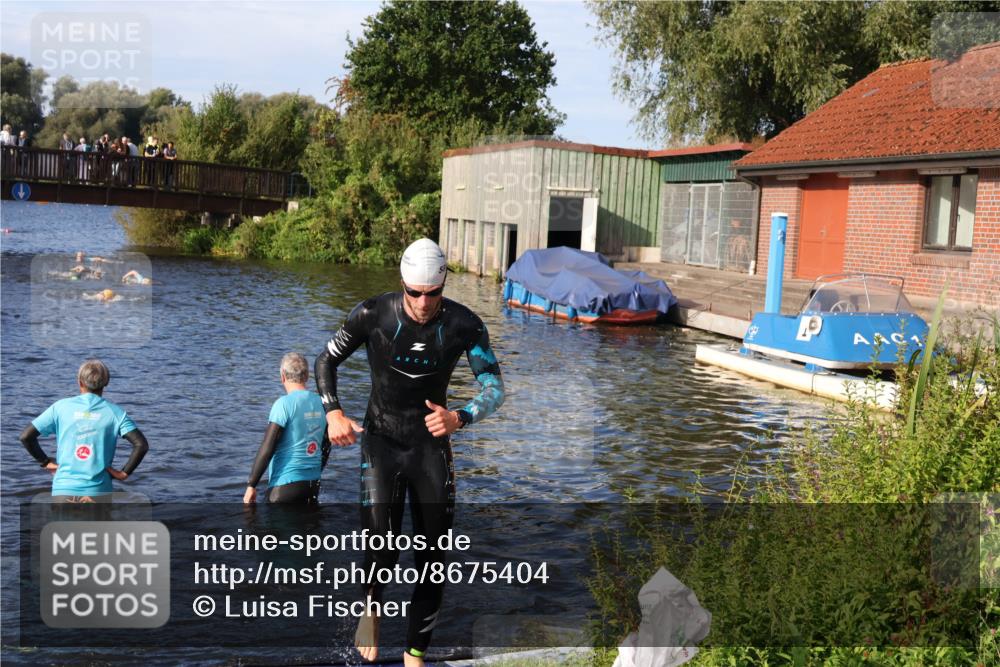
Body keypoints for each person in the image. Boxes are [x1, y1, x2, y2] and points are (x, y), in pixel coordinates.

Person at [315, 237, 505, 665]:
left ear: (443, 286)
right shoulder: (372, 314)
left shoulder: (465, 325)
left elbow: (495, 387)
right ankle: (371, 606)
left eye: (432, 293)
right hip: (381, 442)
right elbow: (325, 361)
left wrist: (461, 417)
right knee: (381, 544)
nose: (423, 302)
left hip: (430, 448)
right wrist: (333, 413)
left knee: (434, 557)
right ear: (402, 284)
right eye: (414, 292)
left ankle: (414, 654)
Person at [19, 359, 149, 502]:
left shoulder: (60, 407)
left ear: (80, 382)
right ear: (106, 382)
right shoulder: (116, 413)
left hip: (63, 489)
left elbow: (26, 436)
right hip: (98, 491)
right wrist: (124, 473)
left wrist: (45, 462)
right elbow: (141, 445)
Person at [244, 353, 330, 505]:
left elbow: (268, 447)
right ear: (307, 376)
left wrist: (252, 485)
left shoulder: (283, 404)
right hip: (312, 485)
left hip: (284, 487)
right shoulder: (322, 403)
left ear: (282, 376)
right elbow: (327, 443)